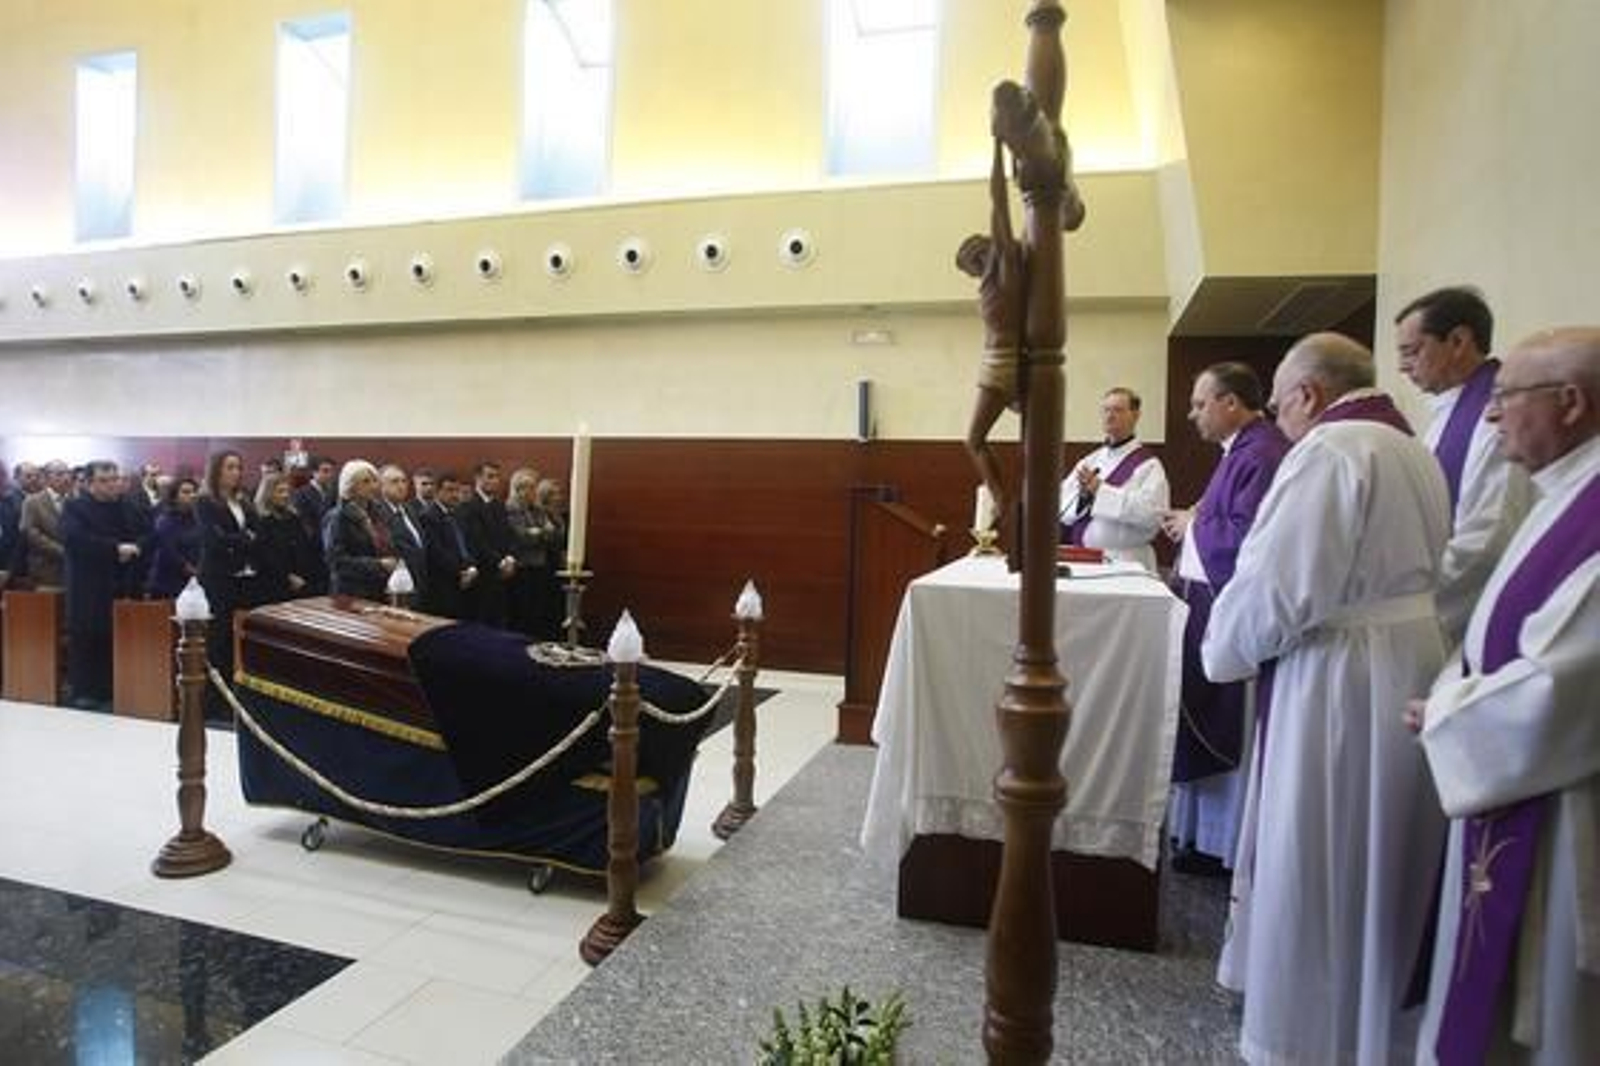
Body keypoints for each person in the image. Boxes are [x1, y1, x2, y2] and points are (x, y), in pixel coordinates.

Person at [1201, 333, 1453, 1065]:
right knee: (1383, 854)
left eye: (1278, 403)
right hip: (1407, 659)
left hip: (1341, 679)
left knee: (1324, 848)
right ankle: (1375, 1025)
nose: (1277, 418)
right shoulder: (1412, 447)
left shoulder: (1330, 450)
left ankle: (1310, 1035)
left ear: (1309, 394)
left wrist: (1222, 649)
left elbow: (1281, 586)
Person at [1409, 326, 1600, 1066]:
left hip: (1561, 804)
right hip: (1516, 782)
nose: (1491, 417)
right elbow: (1503, 623)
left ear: (1572, 403)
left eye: (1506, 397)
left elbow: (1565, 681)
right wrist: (1457, 688)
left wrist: (1451, 712)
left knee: (1549, 1015)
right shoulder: (1563, 493)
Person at [1159, 363, 1290, 875]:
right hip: (1203, 601)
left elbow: (1245, 538)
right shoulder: (1240, 452)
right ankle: (1198, 837)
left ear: (1230, 403)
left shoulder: (1261, 453)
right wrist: (1197, 519)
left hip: (1223, 605)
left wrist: (1194, 522)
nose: (1193, 415)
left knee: (1223, 720)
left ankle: (1220, 845)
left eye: (1199, 403)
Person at [1396, 286, 1533, 643]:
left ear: (1457, 341)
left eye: (1411, 351)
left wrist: (1414, 604)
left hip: (1463, 608)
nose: (1401, 366)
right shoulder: (1449, 410)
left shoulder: (1496, 415)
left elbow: (1488, 536)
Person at [959, 136, 1027, 529]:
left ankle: (1002, 502)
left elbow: (998, 204)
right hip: (1009, 361)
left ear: (979, 254)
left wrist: (999, 149)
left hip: (1000, 364)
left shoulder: (1001, 265)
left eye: (968, 265)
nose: (970, 274)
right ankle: (1009, 500)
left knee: (973, 439)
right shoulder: (1005, 269)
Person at [60, 461, 143, 709]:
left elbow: (147, 532)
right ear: (89, 483)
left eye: (115, 479)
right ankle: (84, 691)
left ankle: (113, 690)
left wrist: (138, 546)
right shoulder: (75, 507)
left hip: (122, 582)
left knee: (116, 638)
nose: (112, 485)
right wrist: (114, 549)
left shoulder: (127, 506)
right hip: (88, 584)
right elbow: (74, 539)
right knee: (87, 636)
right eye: (104, 480)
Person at [1058, 387, 1170, 571]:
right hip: (1081, 556)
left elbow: (1153, 514)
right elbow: (1062, 503)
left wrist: (1101, 492)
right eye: (1106, 410)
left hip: (1125, 561)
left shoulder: (1148, 466)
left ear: (1135, 415)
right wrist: (1085, 497)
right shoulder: (1090, 460)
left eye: (1117, 410)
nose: (1110, 416)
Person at [196, 450, 259, 716]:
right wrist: (242, 539)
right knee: (218, 639)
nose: (236, 472)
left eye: (238, 467)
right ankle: (213, 701)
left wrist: (240, 538)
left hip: (245, 577)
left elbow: (257, 532)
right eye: (230, 467)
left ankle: (236, 695)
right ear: (217, 471)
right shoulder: (205, 502)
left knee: (238, 639)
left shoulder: (242, 501)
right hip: (218, 578)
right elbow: (214, 540)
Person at [322, 460, 397, 602]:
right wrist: (378, 565)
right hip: (351, 593)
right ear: (349, 486)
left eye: (375, 480)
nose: (373, 486)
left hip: (380, 589)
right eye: (366, 482)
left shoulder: (378, 513)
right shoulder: (337, 517)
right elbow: (336, 562)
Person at [455, 461, 516, 626]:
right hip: (482, 573)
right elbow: (477, 541)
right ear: (478, 478)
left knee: (500, 619)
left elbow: (508, 535)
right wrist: (500, 561)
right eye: (490, 476)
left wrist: (510, 557)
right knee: (481, 621)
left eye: (497, 477)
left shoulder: (499, 505)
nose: (494, 481)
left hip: (502, 575)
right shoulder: (468, 506)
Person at [416, 472, 476, 619]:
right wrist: (461, 571)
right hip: (442, 584)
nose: (455, 495)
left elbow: (467, 544)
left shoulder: (458, 514)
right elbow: (436, 553)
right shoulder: (428, 516)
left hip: (464, 580)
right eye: (449, 490)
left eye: (457, 490)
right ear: (437, 492)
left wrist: (471, 567)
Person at [252, 472, 315, 605]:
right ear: (268, 494)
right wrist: (288, 577)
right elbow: (265, 555)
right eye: (280, 491)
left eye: (287, 491)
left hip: (301, 581)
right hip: (273, 585)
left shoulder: (293, 517)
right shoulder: (261, 520)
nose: (285, 495)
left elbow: (304, 547)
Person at [145, 476, 202, 599]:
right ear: (175, 496)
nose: (192, 495)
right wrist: (191, 569)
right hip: (167, 582)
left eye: (194, 492)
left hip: (193, 580)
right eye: (186, 492)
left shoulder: (198, 518)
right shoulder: (165, 520)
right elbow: (169, 551)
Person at [377, 463, 427, 601]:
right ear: (381, 486)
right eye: (394, 482)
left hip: (419, 581)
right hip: (396, 586)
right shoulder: (377, 513)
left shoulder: (409, 509)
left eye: (404, 481)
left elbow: (419, 546)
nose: (401, 485)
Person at [20, 460, 71, 589]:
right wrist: (61, 550)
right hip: (45, 571)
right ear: (47, 478)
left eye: (67, 473)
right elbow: (29, 532)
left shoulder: (75, 500)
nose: (65, 478)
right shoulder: (33, 501)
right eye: (59, 474)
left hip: (73, 571)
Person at [292, 455, 337, 594]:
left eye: (331, 471)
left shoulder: (333, 494)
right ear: (314, 472)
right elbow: (304, 526)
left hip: (330, 552)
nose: (329, 475)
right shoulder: (302, 494)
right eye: (325, 471)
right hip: (312, 553)